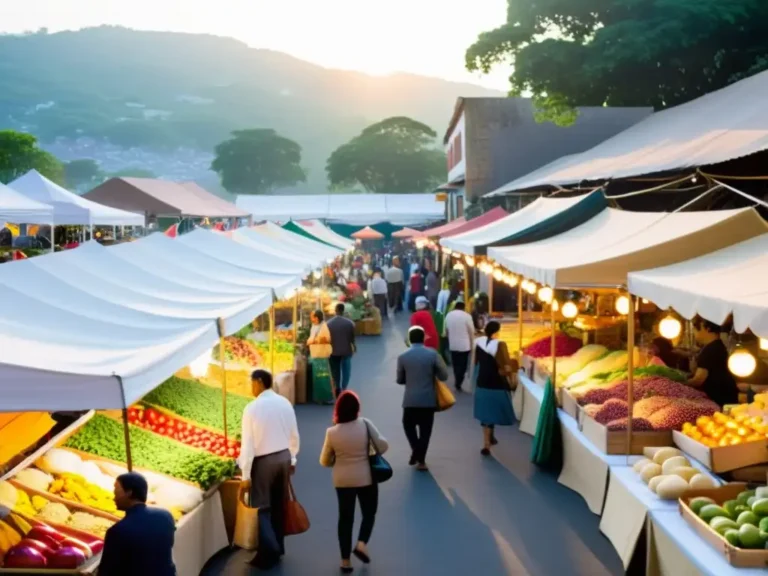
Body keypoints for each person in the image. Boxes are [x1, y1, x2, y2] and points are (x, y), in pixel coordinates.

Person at [319, 391, 389, 573]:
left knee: (345, 519)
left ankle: (345, 561)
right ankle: (361, 544)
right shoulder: (365, 424)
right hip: (366, 477)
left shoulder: (332, 432)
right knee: (369, 513)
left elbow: (324, 461)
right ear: (357, 408)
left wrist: (339, 458)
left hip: (342, 481)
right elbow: (383, 446)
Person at [238, 369, 300, 570]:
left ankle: (269, 549)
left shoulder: (252, 408)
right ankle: (279, 547)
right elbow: (294, 435)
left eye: (251, 383)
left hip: (263, 462)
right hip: (283, 457)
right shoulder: (285, 403)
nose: (250, 387)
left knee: (261, 507)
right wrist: (292, 459)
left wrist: (245, 474)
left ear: (258, 382)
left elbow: (247, 445)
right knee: (279, 504)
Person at [99, 472, 176, 576]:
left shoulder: (118, 531)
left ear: (129, 493)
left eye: (116, 491)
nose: (114, 497)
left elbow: (107, 571)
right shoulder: (166, 516)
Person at [396, 326, 449, 471]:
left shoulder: (403, 356)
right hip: (428, 399)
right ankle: (421, 460)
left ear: (410, 339)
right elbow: (444, 376)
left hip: (410, 399)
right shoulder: (433, 355)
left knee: (408, 425)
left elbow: (400, 380)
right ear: (424, 338)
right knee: (426, 430)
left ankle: (416, 451)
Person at [474, 321, 516, 456]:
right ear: (497, 331)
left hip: (482, 382)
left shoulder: (478, 343)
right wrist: (512, 378)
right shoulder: (500, 345)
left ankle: (486, 442)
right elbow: (506, 367)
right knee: (494, 411)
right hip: (497, 384)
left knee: (485, 414)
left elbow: (476, 362)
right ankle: (489, 439)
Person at [687, 318, 738, 407]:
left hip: (718, 400)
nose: (694, 333)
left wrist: (680, 383)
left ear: (708, 329)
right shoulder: (718, 346)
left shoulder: (710, 350)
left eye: (696, 329)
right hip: (726, 397)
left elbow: (698, 379)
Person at [445, 300, 475, 391]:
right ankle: (459, 381)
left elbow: (446, 331)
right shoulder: (467, 316)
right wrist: (472, 343)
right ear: (464, 307)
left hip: (453, 344)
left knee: (455, 363)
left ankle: (457, 379)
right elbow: (471, 331)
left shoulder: (448, 315)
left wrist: (449, 338)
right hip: (464, 345)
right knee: (463, 365)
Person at [327, 303, 357, 393]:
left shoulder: (329, 324)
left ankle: (337, 386)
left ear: (335, 311)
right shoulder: (349, 323)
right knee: (346, 369)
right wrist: (354, 347)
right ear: (343, 311)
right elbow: (352, 338)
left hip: (333, 351)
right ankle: (344, 387)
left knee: (335, 370)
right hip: (346, 350)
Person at [307, 310, 334, 404]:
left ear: (316, 318)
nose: (311, 318)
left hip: (321, 355)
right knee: (317, 378)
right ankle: (319, 397)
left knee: (323, 377)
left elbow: (327, 339)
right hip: (315, 354)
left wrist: (313, 341)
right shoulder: (314, 326)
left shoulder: (324, 326)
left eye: (312, 316)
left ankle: (326, 397)